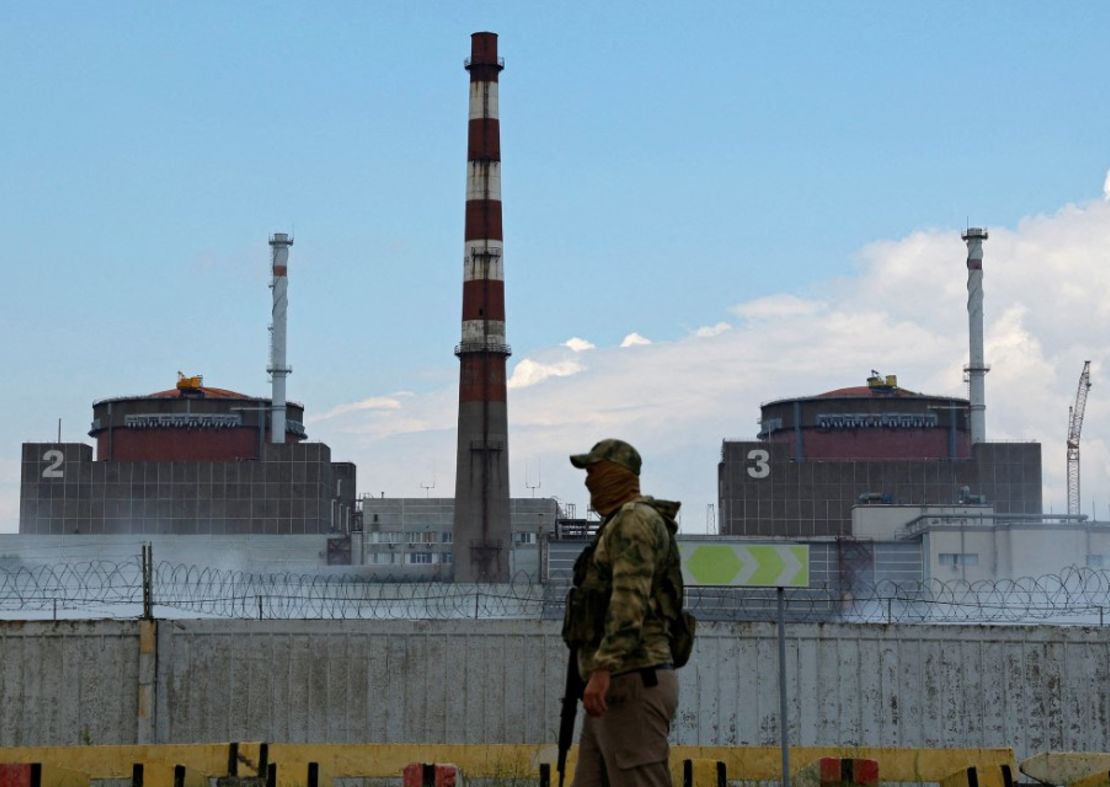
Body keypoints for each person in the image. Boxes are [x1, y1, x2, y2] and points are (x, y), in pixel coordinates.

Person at [566, 438, 681, 787]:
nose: (588, 481)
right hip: (615, 684)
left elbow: (629, 600)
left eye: (594, 471)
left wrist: (603, 669)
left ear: (615, 475)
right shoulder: (618, 523)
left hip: (632, 679)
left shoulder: (634, 521)